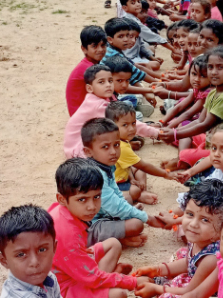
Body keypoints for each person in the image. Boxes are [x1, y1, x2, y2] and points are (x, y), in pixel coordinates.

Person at [48, 158, 148, 297]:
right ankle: (103, 283)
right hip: (62, 289)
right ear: (62, 199)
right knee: (119, 294)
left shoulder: (62, 211)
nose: (92, 206)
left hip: (72, 269)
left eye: (96, 197)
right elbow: (92, 277)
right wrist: (133, 282)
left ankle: (104, 281)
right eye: (82, 199)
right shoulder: (67, 234)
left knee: (114, 243)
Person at [134, 179, 223, 297]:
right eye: (190, 214)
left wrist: (157, 289)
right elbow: (189, 262)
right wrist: (157, 270)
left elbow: (191, 291)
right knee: (181, 253)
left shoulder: (212, 259)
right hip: (195, 280)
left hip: (200, 292)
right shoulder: (200, 239)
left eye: (205, 220)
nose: (193, 224)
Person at [80, 119, 166, 248]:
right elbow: (115, 207)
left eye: (116, 145)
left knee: (126, 199)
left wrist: (129, 211)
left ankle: (119, 235)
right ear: (88, 152)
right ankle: (115, 241)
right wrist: (147, 218)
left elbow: (115, 194)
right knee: (137, 224)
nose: (113, 152)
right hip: (90, 225)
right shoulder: (95, 175)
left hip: (103, 213)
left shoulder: (104, 166)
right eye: (105, 147)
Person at [159, 47, 223, 170]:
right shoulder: (213, 93)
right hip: (210, 139)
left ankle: (182, 159)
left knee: (188, 150)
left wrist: (175, 135)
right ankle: (185, 156)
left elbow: (205, 125)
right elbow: (199, 121)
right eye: (210, 67)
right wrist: (175, 133)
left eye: (220, 67)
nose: (214, 72)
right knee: (182, 128)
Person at [105, 102, 172, 205]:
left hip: (122, 173)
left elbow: (126, 165)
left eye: (133, 123)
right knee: (135, 190)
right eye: (125, 125)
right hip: (116, 182)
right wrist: (164, 174)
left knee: (138, 170)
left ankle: (142, 191)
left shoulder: (120, 140)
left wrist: (131, 178)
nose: (131, 128)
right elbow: (144, 166)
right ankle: (139, 195)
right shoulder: (120, 146)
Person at [0, 205, 60, 298]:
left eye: (42, 250)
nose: (35, 262)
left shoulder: (49, 277)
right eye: (21, 254)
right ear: (4, 261)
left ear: (54, 248)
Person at [66, 25, 108, 116]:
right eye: (94, 46)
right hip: (85, 118)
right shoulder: (87, 68)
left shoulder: (93, 64)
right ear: (84, 49)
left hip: (90, 110)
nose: (100, 49)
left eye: (103, 45)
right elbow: (107, 94)